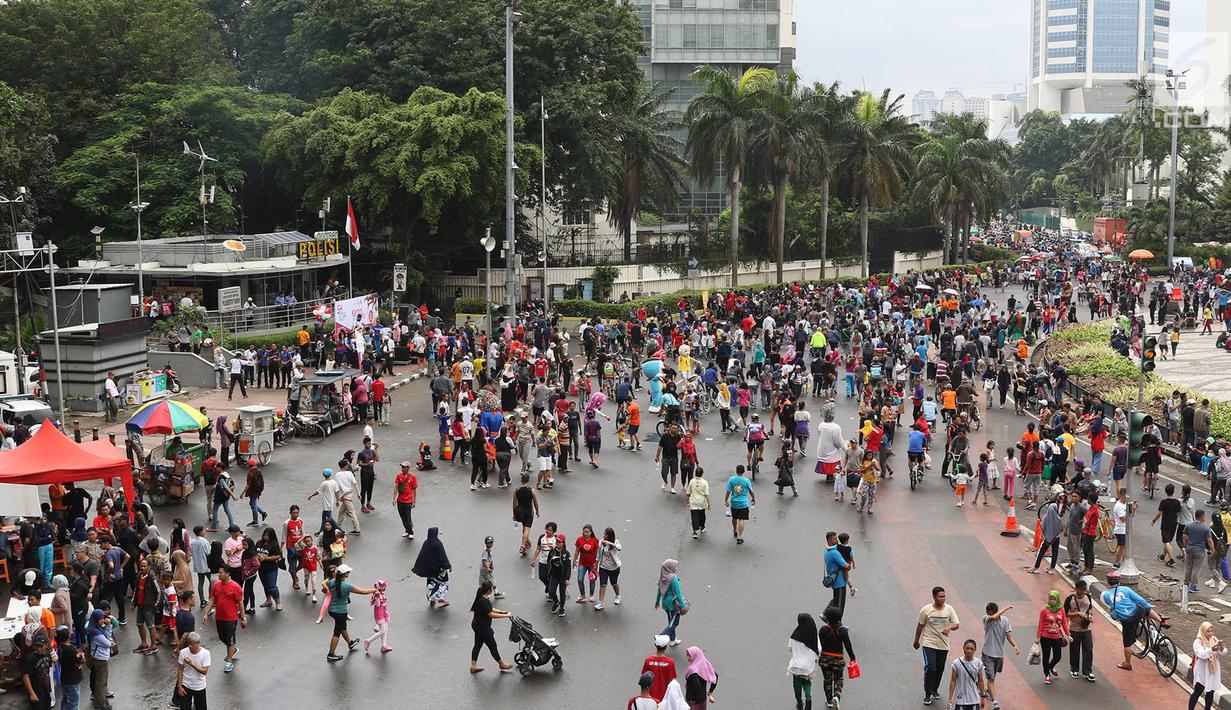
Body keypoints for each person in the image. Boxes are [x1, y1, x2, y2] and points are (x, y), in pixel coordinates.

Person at [1102, 571, 1167, 671]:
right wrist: (1148, 607)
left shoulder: (1106, 595)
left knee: (1127, 643)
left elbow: (1112, 607)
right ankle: (1160, 620)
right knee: (1145, 608)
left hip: (1126, 620)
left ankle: (1127, 664)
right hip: (1137, 613)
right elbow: (1140, 600)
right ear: (1119, 581)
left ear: (1108, 582)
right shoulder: (1126, 589)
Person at [913, 586, 959, 705]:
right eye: (940, 596)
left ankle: (934, 689)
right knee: (931, 667)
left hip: (943, 644)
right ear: (934, 597)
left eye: (944, 596)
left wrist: (949, 627)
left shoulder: (949, 609)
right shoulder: (926, 610)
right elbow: (920, 626)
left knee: (939, 669)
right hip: (929, 643)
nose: (942, 599)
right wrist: (916, 641)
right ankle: (927, 693)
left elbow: (956, 624)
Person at [323, 564, 375, 662]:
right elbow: (363, 592)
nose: (349, 573)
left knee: (342, 627)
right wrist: (374, 590)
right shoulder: (347, 586)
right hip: (341, 612)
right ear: (344, 574)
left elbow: (324, 590)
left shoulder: (331, 582)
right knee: (337, 632)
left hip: (332, 610)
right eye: (348, 572)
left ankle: (350, 643)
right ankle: (331, 654)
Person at [201, 567, 246, 673]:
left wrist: (243, 618)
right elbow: (212, 600)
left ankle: (229, 661)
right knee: (222, 637)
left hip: (231, 618)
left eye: (221, 573)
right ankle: (232, 649)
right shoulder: (216, 585)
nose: (219, 575)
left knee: (229, 640)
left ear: (227, 574)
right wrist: (206, 613)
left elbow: (240, 603)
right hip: (219, 617)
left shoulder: (235, 587)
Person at [469, 581, 513, 673]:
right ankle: (501, 664)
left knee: (477, 645)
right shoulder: (483, 601)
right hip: (483, 628)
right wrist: (506, 616)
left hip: (477, 625)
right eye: (492, 588)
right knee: (492, 646)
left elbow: (490, 608)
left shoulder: (482, 598)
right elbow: (490, 614)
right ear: (489, 590)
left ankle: (473, 666)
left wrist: (501, 611)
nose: (493, 590)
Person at [818, 605, 855, 709]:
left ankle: (829, 701)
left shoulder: (823, 630)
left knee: (827, 680)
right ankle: (837, 696)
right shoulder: (842, 631)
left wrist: (816, 657)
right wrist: (853, 658)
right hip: (838, 660)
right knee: (839, 678)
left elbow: (819, 645)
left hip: (825, 659)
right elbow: (848, 646)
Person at [1035, 589, 1071, 684]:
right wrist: (1038, 637)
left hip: (1057, 637)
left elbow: (1064, 623)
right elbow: (1041, 624)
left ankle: (1050, 667)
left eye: (1054, 599)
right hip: (1045, 637)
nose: (1052, 601)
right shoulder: (1044, 610)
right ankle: (1047, 675)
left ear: (1057, 599)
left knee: (1057, 656)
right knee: (1046, 656)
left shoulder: (1061, 609)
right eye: (1051, 599)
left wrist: (1068, 635)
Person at [411, 527, 451, 608]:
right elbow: (442, 556)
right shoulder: (438, 544)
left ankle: (432, 600)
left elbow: (422, 555)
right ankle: (440, 599)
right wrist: (447, 565)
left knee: (431, 584)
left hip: (429, 570)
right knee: (442, 583)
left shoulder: (426, 543)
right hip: (438, 570)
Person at [1183, 508, 1222, 594]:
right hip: (1199, 551)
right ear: (1202, 516)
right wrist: (1212, 550)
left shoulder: (1189, 525)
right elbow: (1209, 541)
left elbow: (1184, 536)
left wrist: (1185, 545)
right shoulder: (1205, 528)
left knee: (1188, 567)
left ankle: (1186, 584)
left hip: (1189, 549)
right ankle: (1193, 586)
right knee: (1196, 568)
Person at [1064, 580, 1095, 682]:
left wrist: (1089, 615)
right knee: (1074, 650)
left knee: (1088, 649)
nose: (1083, 591)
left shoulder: (1088, 597)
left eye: (1085, 589)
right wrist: (1078, 613)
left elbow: (1090, 609)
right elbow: (1065, 614)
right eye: (1082, 589)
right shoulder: (1070, 599)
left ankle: (1087, 671)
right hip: (1074, 628)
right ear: (1076, 589)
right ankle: (1074, 669)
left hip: (1087, 628)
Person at [1191, 622, 1226, 710]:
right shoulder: (1198, 641)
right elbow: (1201, 654)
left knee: (1210, 693)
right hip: (1202, 671)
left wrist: (1221, 649)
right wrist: (1211, 649)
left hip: (1213, 671)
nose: (1210, 633)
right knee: (1197, 692)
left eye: (1211, 631)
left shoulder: (1214, 639)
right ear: (1203, 631)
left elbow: (1222, 653)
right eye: (1208, 631)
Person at [788, 612, 819, 710]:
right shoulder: (813, 635)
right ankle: (808, 698)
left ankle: (799, 702)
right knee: (807, 683)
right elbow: (819, 649)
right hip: (808, 666)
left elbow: (790, 648)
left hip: (796, 666)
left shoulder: (794, 636)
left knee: (797, 685)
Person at [946, 639, 986, 710]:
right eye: (967, 648)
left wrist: (982, 697)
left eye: (971, 649)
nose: (969, 651)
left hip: (974, 699)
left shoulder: (978, 663)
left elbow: (980, 680)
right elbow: (953, 680)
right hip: (960, 699)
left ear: (975, 650)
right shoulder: (956, 663)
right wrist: (950, 699)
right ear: (963, 648)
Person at [175, 631, 210, 710]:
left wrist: (191, 664)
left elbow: (204, 671)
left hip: (199, 686)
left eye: (192, 644)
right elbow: (180, 669)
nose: (190, 646)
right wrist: (179, 686)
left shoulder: (205, 653)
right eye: (188, 644)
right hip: (186, 685)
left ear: (198, 643)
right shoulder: (183, 652)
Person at [86, 609, 114, 710]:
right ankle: (100, 703)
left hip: (99, 658)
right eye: (101, 618)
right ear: (96, 619)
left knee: (99, 681)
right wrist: (110, 642)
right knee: (101, 682)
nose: (103, 620)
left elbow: (108, 636)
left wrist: (109, 626)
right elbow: (107, 643)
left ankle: (101, 700)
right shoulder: (96, 633)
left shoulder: (97, 629)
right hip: (100, 660)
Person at [655, 559, 686, 646]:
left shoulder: (663, 577)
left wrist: (657, 601)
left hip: (665, 603)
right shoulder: (673, 578)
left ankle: (672, 639)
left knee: (671, 621)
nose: (676, 568)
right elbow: (678, 593)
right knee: (675, 622)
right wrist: (683, 605)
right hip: (673, 604)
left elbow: (659, 590)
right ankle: (661, 636)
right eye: (675, 566)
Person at [641, 635, 678, 703]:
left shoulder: (648, 660)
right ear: (666, 647)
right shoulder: (670, 662)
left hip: (650, 697)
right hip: (664, 697)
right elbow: (671, 682)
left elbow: (644, 678)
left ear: (655, 645)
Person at [724, 465, 754, 544]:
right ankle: (740, 537)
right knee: (741, 519)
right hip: (743, 503)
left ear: (736, 471)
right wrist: (753, 498)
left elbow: (728, 491)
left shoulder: (732, 480)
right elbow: (751, 491)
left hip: (734, 502)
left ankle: (734, 530)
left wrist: (726, 500)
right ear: (743, 471)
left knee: (734, 517)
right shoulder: (746, 480)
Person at [823, 531, 850, 615]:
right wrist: (849, 564)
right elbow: (846, 566)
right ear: (829, 540)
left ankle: (825, 613)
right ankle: (836, 621)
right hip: (839, 583)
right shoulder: (835, 553)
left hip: (834, 581)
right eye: (834, 539)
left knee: (836, 599)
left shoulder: (827, 550)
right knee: (839, 607)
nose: (837, 540)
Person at [393, 461, 418, 540]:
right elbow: (396, 487)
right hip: (400, 500)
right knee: (402, 517)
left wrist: (414, 501)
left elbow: (414, 489)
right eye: (402, 467)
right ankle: (407, 530)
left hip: (408, 501)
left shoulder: (412, 477)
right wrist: (394, 498)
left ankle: (410, 532)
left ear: (408, 468)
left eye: (404, 467)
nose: (402, 468)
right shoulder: (398, 476)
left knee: (407, 516)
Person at [574, 524, 599, 604]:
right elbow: (577, 551)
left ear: (591, 532)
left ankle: (591, 595)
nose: (586, 533)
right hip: (582, 563)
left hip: (592, 564)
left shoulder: (595, 540)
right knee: (580, 579)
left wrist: (596, 563)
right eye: (584, 532)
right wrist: (574, 560)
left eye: (587, 532)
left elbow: (597, 553)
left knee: (592, 580)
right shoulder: (579, 539)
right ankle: (583, 595)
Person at [686, 466, 710, 539]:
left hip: (693, 502)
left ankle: (695, 532)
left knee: (694, 517)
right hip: (702, 502)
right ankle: (702, 527)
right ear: (702, 474)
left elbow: (688, 492)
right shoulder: (705, 482)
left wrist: (687, 499)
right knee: (702, 515)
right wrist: (709, 504)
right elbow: (706, 494)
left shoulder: (692, 481)